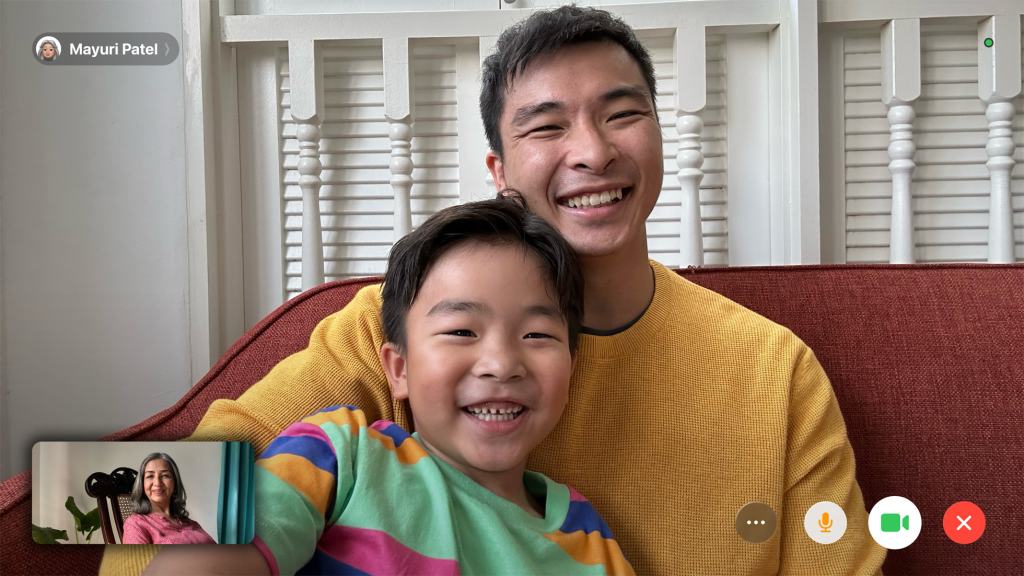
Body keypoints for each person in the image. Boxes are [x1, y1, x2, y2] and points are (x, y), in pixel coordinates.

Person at [102, 5, 886, 575]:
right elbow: (163, 499)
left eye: (623, 114)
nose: (592, 151)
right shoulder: (392, 326)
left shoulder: (772, 368)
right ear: (500, 172)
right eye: (546, 126)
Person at [146, 198, 635, 575]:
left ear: (571, 366)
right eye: (462, 331)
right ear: (398, 369)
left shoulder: (589, 537)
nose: (502, 364)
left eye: (536, 335)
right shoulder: (342, 454)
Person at [120, 453, 215, 545]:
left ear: (175, 482)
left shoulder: (190, 523)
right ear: (142, 484)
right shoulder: (135, 524)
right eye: (150, 476)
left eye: (165, 475)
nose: (157, 483)